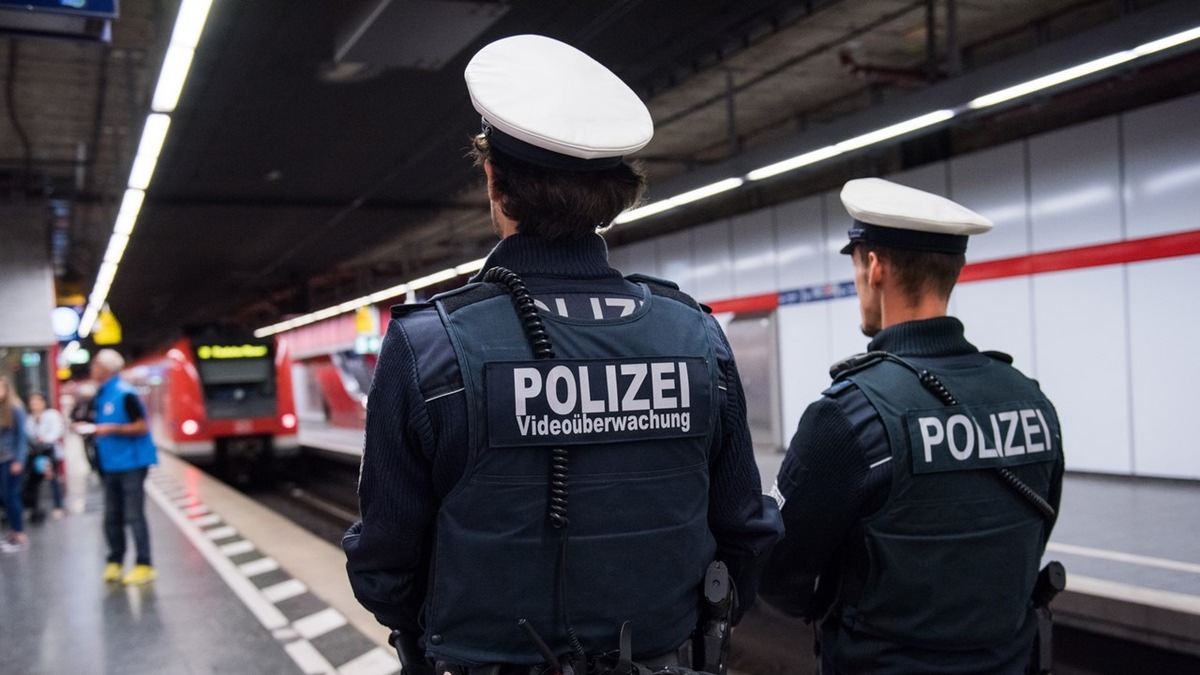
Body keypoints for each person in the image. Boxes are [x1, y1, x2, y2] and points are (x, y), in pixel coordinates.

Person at [344, 34, 783, 674]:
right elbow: (744, 529)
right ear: (617, 193)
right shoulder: (695, 336)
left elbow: (386, 557)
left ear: (494, 178)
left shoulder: (428, 344)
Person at [760, 178, 1065, 674]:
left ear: (874, 267)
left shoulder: (849, 412)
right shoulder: (1031, 401)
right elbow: (1035, 532)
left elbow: (780, 569)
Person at [88, 349, 159, 585]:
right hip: (110, 464)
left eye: (96, 364)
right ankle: (115, 561)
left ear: (107, 369)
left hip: (132, 463)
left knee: (133, 515)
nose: (92, 368)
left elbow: (142, 427)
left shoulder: (125, 394)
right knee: (112, 516)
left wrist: (111, 429)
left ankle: (144, 564)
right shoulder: (102, 395)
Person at [23, 392, 67, 522]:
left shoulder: (52, 415)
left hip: (49, 451)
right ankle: (34, 507)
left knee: (52, 477)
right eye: (32, 403)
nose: (34, 405)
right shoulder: (29, 419)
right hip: (36, 453)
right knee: (34, 481)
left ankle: (58, 505)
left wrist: (46, 438)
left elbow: (57, 431)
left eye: (37, 402)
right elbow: (28, 434)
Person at [0, 376, 30, 552]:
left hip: (11, 458)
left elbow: (22, 438)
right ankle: (13, 531)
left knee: (11, 496)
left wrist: (19, 459)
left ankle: (19, 532)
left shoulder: (15, 409)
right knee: (4, 496)